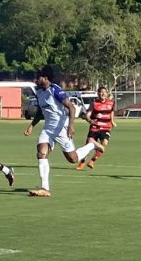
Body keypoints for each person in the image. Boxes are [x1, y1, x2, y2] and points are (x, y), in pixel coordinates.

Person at [23, 66, 96, 197]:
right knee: (41, 153)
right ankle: (45, 188)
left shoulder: (55, 90)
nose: (36, 79)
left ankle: (92, 145)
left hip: (61, 127)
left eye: (38, 77)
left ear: (45, 78)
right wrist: (32, 125)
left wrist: (71, 126)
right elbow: (40, 112)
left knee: (72, 159)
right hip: (48, 128)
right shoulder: (39, 92)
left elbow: (71, 108)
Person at [76, 86, 115, 170]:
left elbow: (111, 111)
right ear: (98, 94)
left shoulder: (111, 103)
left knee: (104, 143)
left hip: (106, 127)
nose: (102, 93)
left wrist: (112, 121)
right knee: (88, 146)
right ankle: (82, 162)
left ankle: (92, 161)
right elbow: (87, 115)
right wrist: (90, 120)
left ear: (107, 93)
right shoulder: (94, 103)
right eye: (101, 92)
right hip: (95, 128)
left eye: (104, 92)